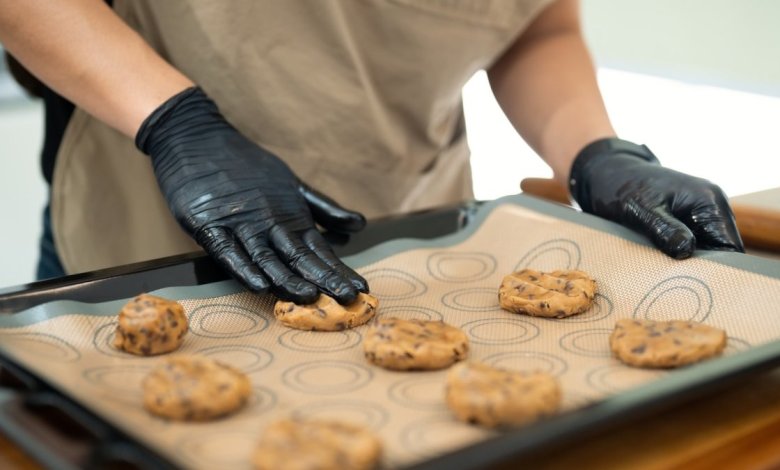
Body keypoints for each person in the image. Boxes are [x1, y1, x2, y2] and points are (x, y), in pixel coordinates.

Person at [0, 0, 743, 305]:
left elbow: (533, 23)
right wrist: (174, 123)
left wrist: (593, 151)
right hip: (138, 223)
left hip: (413, 236)